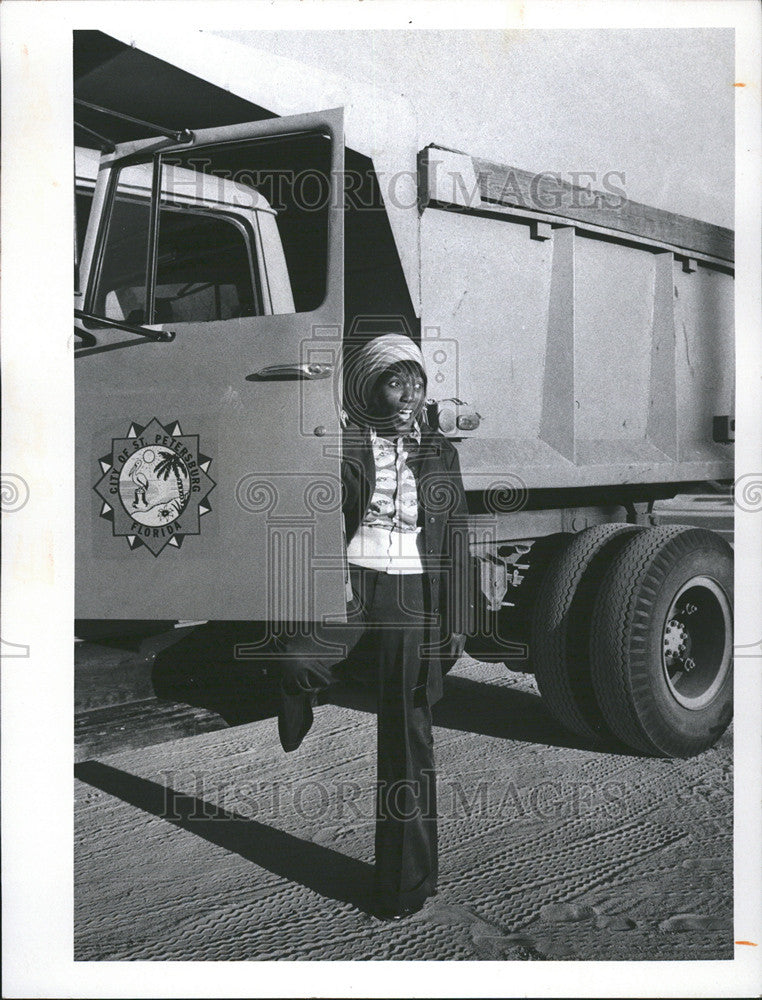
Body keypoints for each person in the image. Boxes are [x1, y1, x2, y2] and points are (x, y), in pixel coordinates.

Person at [275, 333, 473, 920]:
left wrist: (457, 618)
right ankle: (301, 704)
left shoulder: (438, 451)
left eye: (417, 382)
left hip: (412, 595)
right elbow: (311, 514)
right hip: (355, 584)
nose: (409, 394)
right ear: (367, 388)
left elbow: (456, 533)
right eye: (395, 382)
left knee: (408, 735)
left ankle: (406, 884)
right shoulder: (342, 444)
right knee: (294, 657)